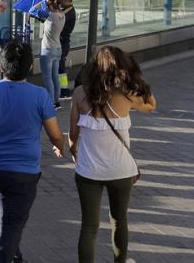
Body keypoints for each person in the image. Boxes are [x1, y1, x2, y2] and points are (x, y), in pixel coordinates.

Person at [0, 42, 65, 263]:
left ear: (1, 66)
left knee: (8, 213)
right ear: (30, 66)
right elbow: (55, 133)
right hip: (26, 170)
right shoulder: (40, 96)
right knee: (15, 220)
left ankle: (16, 258)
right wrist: (59, 146)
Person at [67, 46, 156, 263]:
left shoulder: (79, 93)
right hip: (121, 171)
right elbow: (152, 105)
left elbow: (73, 134)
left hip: (88, 171)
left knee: (89, 227)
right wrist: (135, 79)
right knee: (119, 220)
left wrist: (73, 151)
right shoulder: (128, 95)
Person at [37, 0, 65, 109]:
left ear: (50, 6)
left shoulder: (50, 16)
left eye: (47, 6)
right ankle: (57, 101)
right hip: (58, 48)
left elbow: (33, 10)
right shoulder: (62, 15)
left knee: (47, 77)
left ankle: (51, 102)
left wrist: (43, 1)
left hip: (48, 49)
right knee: (55, 76)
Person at [58, 0, 76, 98]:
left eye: (60, 0)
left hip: (63, 42)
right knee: (61, 67)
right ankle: (63, 88)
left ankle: (64, 89)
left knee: (60, 67)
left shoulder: (68, 12)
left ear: (66, 0)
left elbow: (58, 17)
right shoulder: (66, 10)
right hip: (62, 42)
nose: (59, 2)